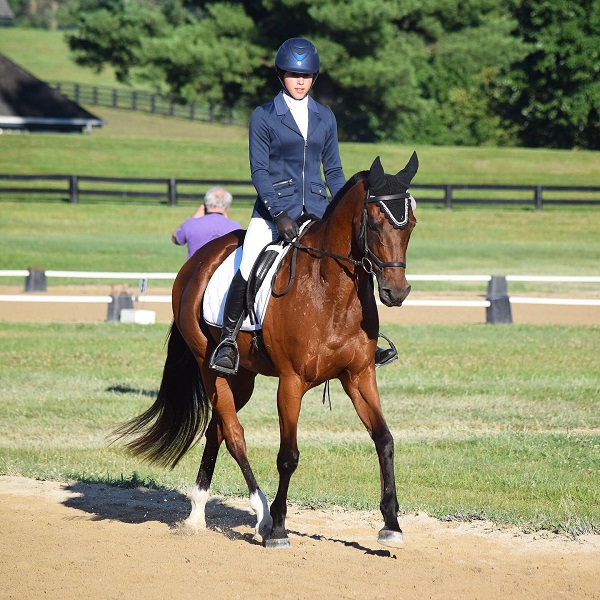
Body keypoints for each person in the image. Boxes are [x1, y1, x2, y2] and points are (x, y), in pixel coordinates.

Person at [210, 38, 396, 374]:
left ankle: (366, 338)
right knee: (249, 264)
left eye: (306, 76)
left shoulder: (325, 117)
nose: (300, 81)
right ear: (280, 75)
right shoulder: (264, 116)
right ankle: (228, 340)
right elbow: (259, 171)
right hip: (273, 213)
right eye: (294, 75)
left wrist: (344, 210)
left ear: (314, 77)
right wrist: (278, 213)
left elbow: (334, 170)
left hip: (319, 210)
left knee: (353, 263)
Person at [172, 186, 241, 259]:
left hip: (197, 266)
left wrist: (195, 216)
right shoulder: (235, 227)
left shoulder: (191, 224)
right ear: (227, 206)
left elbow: (176, 239)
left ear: (205, 204)